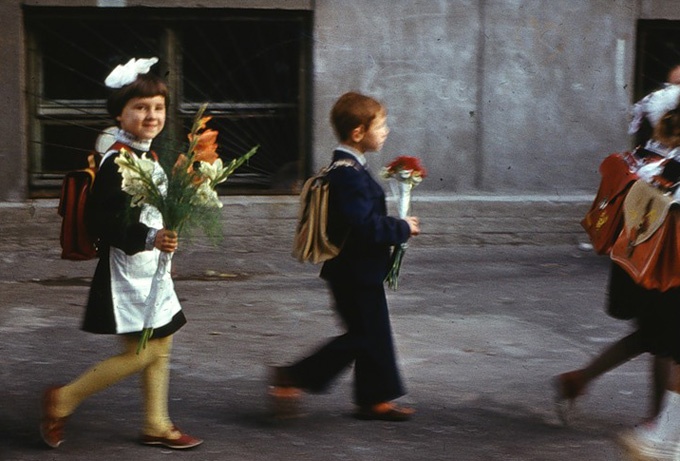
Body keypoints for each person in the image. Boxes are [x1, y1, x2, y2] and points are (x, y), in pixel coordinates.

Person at [39, 57, 202, 450]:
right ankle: (63, 400)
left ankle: (156, 424)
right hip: (125, 271)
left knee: (161, 343)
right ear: (120, 113)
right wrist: (150, 238)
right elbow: (104, 223)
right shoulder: (118, 162)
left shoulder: (146, 154)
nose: (152, 115)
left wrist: (163, 250)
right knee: (143, 351)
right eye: (141, 108)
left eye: (158, 108)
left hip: (150, 268)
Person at [268, 91, 421, 421]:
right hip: (354, 272)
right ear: (358, 132)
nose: (386, 131)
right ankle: (293, 376)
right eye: (380, 125)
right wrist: (402, 228)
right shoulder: (348, 175)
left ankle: (374, 398)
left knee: (373, 332)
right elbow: (364, 226)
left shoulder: (346, 168)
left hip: (356, 270)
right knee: (363, 335)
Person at [554, 83, 680, 425]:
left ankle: (578, 381)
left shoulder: (647, 150)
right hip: (666, 262)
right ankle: (657, 424)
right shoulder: (669, 164)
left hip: (643, 258)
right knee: (666, 340)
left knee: (654, 337)